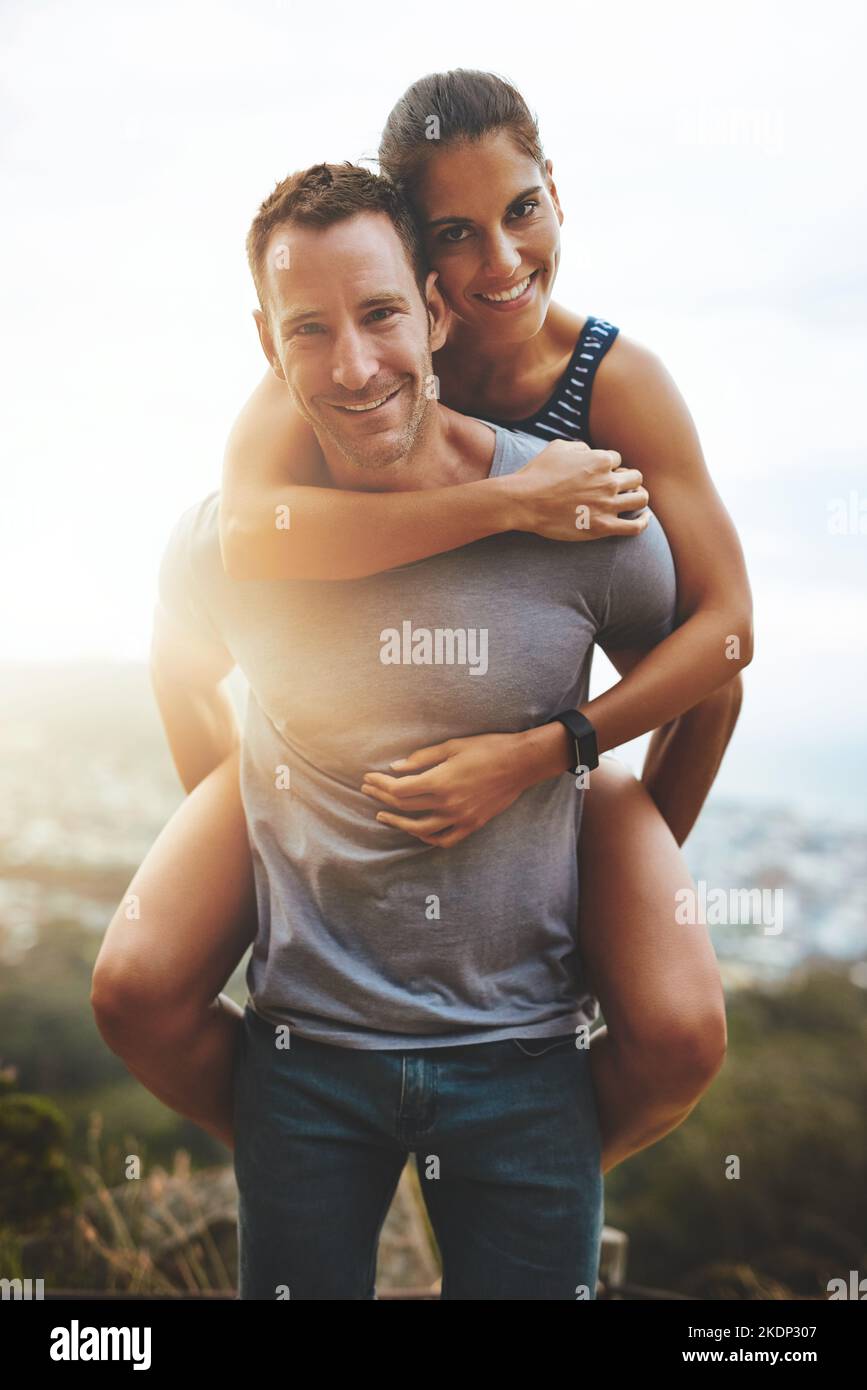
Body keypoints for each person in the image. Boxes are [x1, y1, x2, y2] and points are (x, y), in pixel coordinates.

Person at [93, 72, 750, 1210]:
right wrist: (509, 503)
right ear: (409, 252)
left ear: (558, 195)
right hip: (328, 762)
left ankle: (516, 1176)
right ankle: (327, 1147)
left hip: (556, 756)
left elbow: (726, 642)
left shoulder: (615, 384)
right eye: (454, 233)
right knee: (139, 981)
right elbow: (248, 543)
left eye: (522, 210)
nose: (500, 260)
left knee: (686, 1025)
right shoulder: (340, 371)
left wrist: (559, 787)